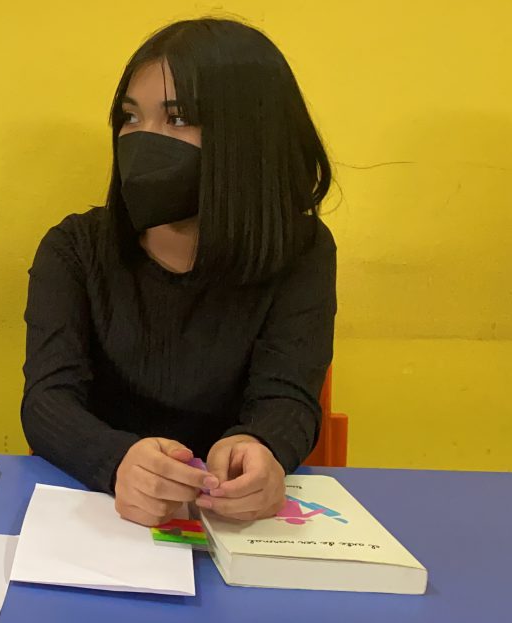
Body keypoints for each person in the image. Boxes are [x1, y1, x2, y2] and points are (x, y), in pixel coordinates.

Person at [21, 18, 336, 526]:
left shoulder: (301, 251)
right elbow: (48, 400)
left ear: (249, 135)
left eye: (177, 118)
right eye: (130, 117)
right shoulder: (74, 248)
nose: (143, 140)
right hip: (99, 511)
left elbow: (288, 396)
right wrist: (116, 459)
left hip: (226, 517)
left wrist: (260, 448)